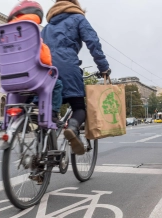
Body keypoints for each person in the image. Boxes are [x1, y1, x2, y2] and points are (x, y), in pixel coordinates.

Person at [42, 0, 111, 155]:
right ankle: (73, 128)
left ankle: (43, 157)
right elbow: (93, 42)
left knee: (48, 110)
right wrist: (104, 67)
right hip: (67, 66)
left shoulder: (47, 27)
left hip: (44, 69)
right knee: (79, 107)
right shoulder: (78, 18)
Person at [7, 0, 63, 122]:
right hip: (31, 78)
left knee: (21, 92)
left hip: (9, 80)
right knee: (57, 84)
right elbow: (45, 59)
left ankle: (18, 118)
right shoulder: (31, 29)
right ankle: (53, 114)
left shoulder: (6, 33)